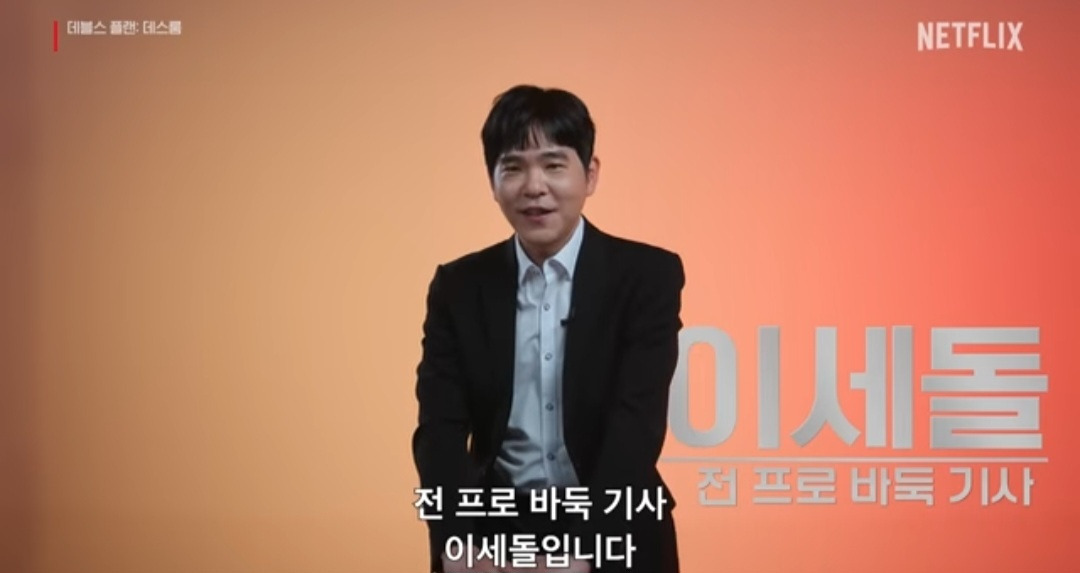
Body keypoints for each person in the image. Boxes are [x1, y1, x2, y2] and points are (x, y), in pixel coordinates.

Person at [413, 85, 684, 573]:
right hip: (493, 531)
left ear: (590, 174)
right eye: (513, 167)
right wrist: (456, 544)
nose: (534, 186)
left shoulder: (647, 276)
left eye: (554, 164)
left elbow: (635, 427)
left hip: (614, 525)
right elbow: (440, 429)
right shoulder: (459, 287)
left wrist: (584, 554)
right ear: (492, 180)